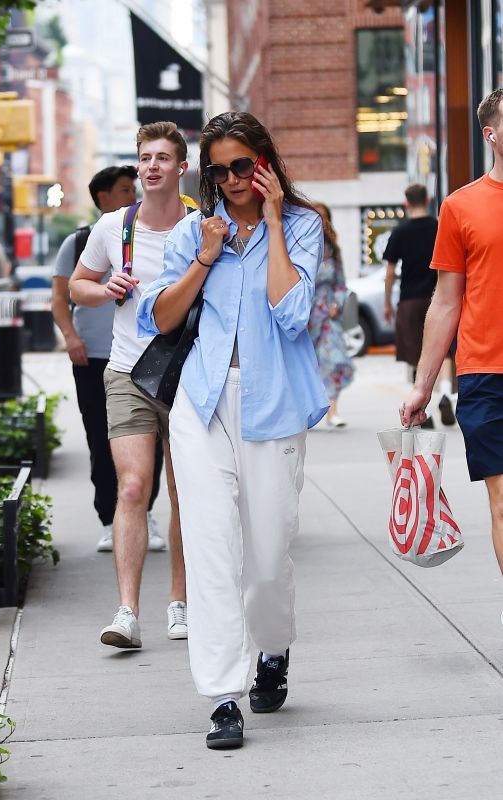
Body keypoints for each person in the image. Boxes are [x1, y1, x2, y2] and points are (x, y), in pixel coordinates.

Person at [137, 111, 328, 749]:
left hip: (272, 402)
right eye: (218, 169)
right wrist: (204, 258)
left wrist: (271, 224)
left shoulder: (302, 225)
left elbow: (294, 313)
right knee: (211, 547)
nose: (230, 179)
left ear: (265, 163)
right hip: (202, 400)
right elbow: (161, 319)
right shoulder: (196, 229)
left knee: (269, 558)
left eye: (241, 165)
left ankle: (272, 647)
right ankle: (223, 695)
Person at [69, 122, 191, 646]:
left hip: (189, 375)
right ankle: (127, 612)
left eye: (163, 158)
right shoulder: (114, 228)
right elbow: (77, 284)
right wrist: (102, 290)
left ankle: (180, 603)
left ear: (181, 168)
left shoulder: (202, 225)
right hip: (127, 373)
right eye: (145, 157)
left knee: (186, 495)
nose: (151, 166)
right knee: (135, 486)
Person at [401, 87, 503, 613]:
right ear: (492, 134)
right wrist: (423, 384)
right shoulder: (460, 207)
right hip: (486, 374)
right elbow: (446, 302)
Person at [51, 165, 166, 553]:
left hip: (145, 357)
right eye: (123, 189)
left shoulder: (148, 233)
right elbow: (61, 297)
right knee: (101, 439)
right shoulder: (80, 240)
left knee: (152, 442)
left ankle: (144, 511)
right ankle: (107, 517)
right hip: (95, 356)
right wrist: (70, 337)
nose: (132, 195)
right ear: (103, 198)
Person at [383, 183, 455, 427]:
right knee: (444, 349)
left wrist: (387, 302)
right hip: (439, 295)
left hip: (410, 300)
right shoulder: (438, 227)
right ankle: (445, 392)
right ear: (427, 199)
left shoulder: (400, 232)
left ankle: (425, 408)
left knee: (417, 354)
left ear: (406, 202)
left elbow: (390, 272)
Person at [308, 202, 354, 427]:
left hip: (327, 314)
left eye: (324, 217)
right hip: (305, 316)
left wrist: (337, 303)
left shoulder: (333, 250)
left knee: (334, 361)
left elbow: (341, 283)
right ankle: (311, 411)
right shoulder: (300, 245)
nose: (320, 221)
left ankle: (333, 411)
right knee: (309, 365)